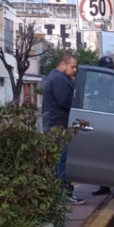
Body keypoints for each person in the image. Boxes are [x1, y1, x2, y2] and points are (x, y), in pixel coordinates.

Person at [42, 51, 84, 204]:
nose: (75, 70)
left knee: (59, 160)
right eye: (73, 67)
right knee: (60, 160)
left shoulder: (58, 77)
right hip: (56, 126)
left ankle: (59, 192)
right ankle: (62, 194)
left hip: (55, 124)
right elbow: (66, 101)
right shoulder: (59, 79)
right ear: (63, 64)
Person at [91, 55, 114, 200]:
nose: (108, 73)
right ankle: (103, 185)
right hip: (99, 122)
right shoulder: (95, 83)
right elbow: (89, 99)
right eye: (105, 70)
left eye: (110, 69)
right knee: (100, 156)